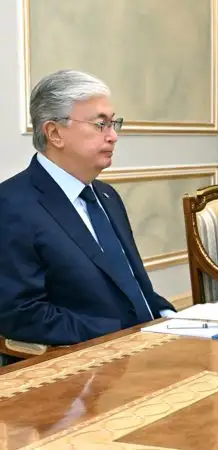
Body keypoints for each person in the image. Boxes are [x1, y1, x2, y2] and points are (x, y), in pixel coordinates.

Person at [0, 69, 175, 361]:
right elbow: (19, 313)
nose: (113, 136)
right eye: (100, 125)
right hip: (86, 366)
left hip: (152, 349)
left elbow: (129, 285)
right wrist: (121, 334)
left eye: (113, 123)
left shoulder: (107, 196)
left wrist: (170, 317)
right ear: (54, 133)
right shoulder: (11, 205)